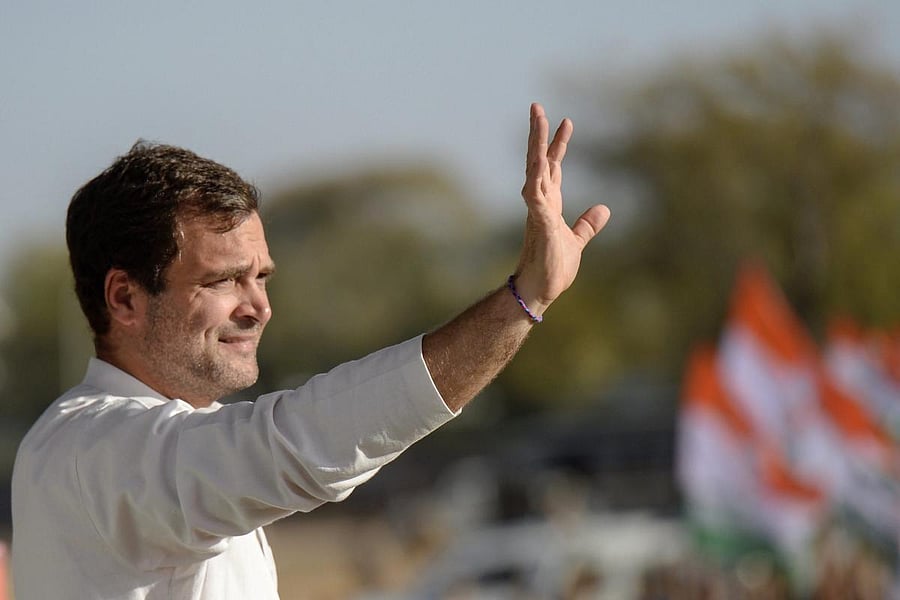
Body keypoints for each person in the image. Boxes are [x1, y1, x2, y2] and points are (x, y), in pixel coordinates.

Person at [10, 103, 610, 599]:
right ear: (125, 298)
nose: (258, 307)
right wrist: (522, 300)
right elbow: (300, 445)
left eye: (262, 277)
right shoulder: (92, 450)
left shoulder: (154, 442)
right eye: (222, 280)